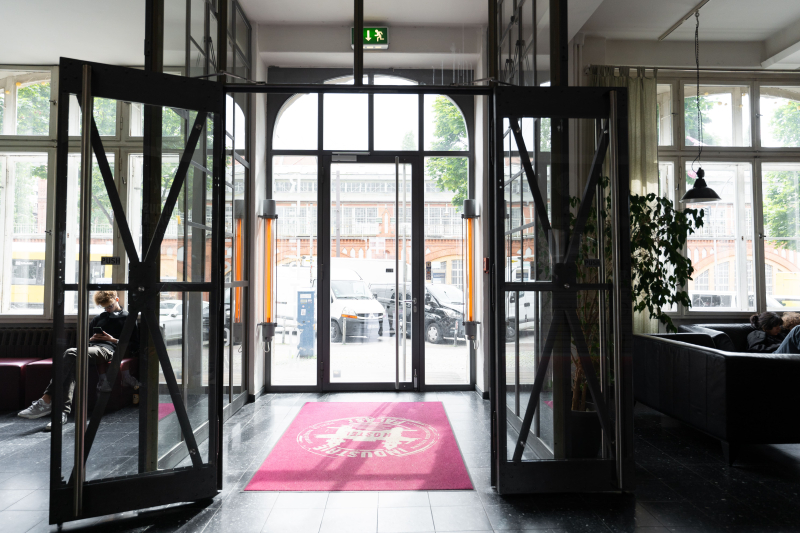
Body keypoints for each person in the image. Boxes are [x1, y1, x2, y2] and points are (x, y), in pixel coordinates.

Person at [17, 290, 139, 430]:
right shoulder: (99, 318)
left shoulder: (128, 318)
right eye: (104, 307)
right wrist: (91, 339)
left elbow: (135, 345)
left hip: (108, 350)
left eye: (109, 306)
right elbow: (85, 340)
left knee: (70, 353)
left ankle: (46, 399)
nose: (107, 310)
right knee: (71, 363)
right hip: (91, 348)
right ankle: (61, 414)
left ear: (117, 300)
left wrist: (112, 340)